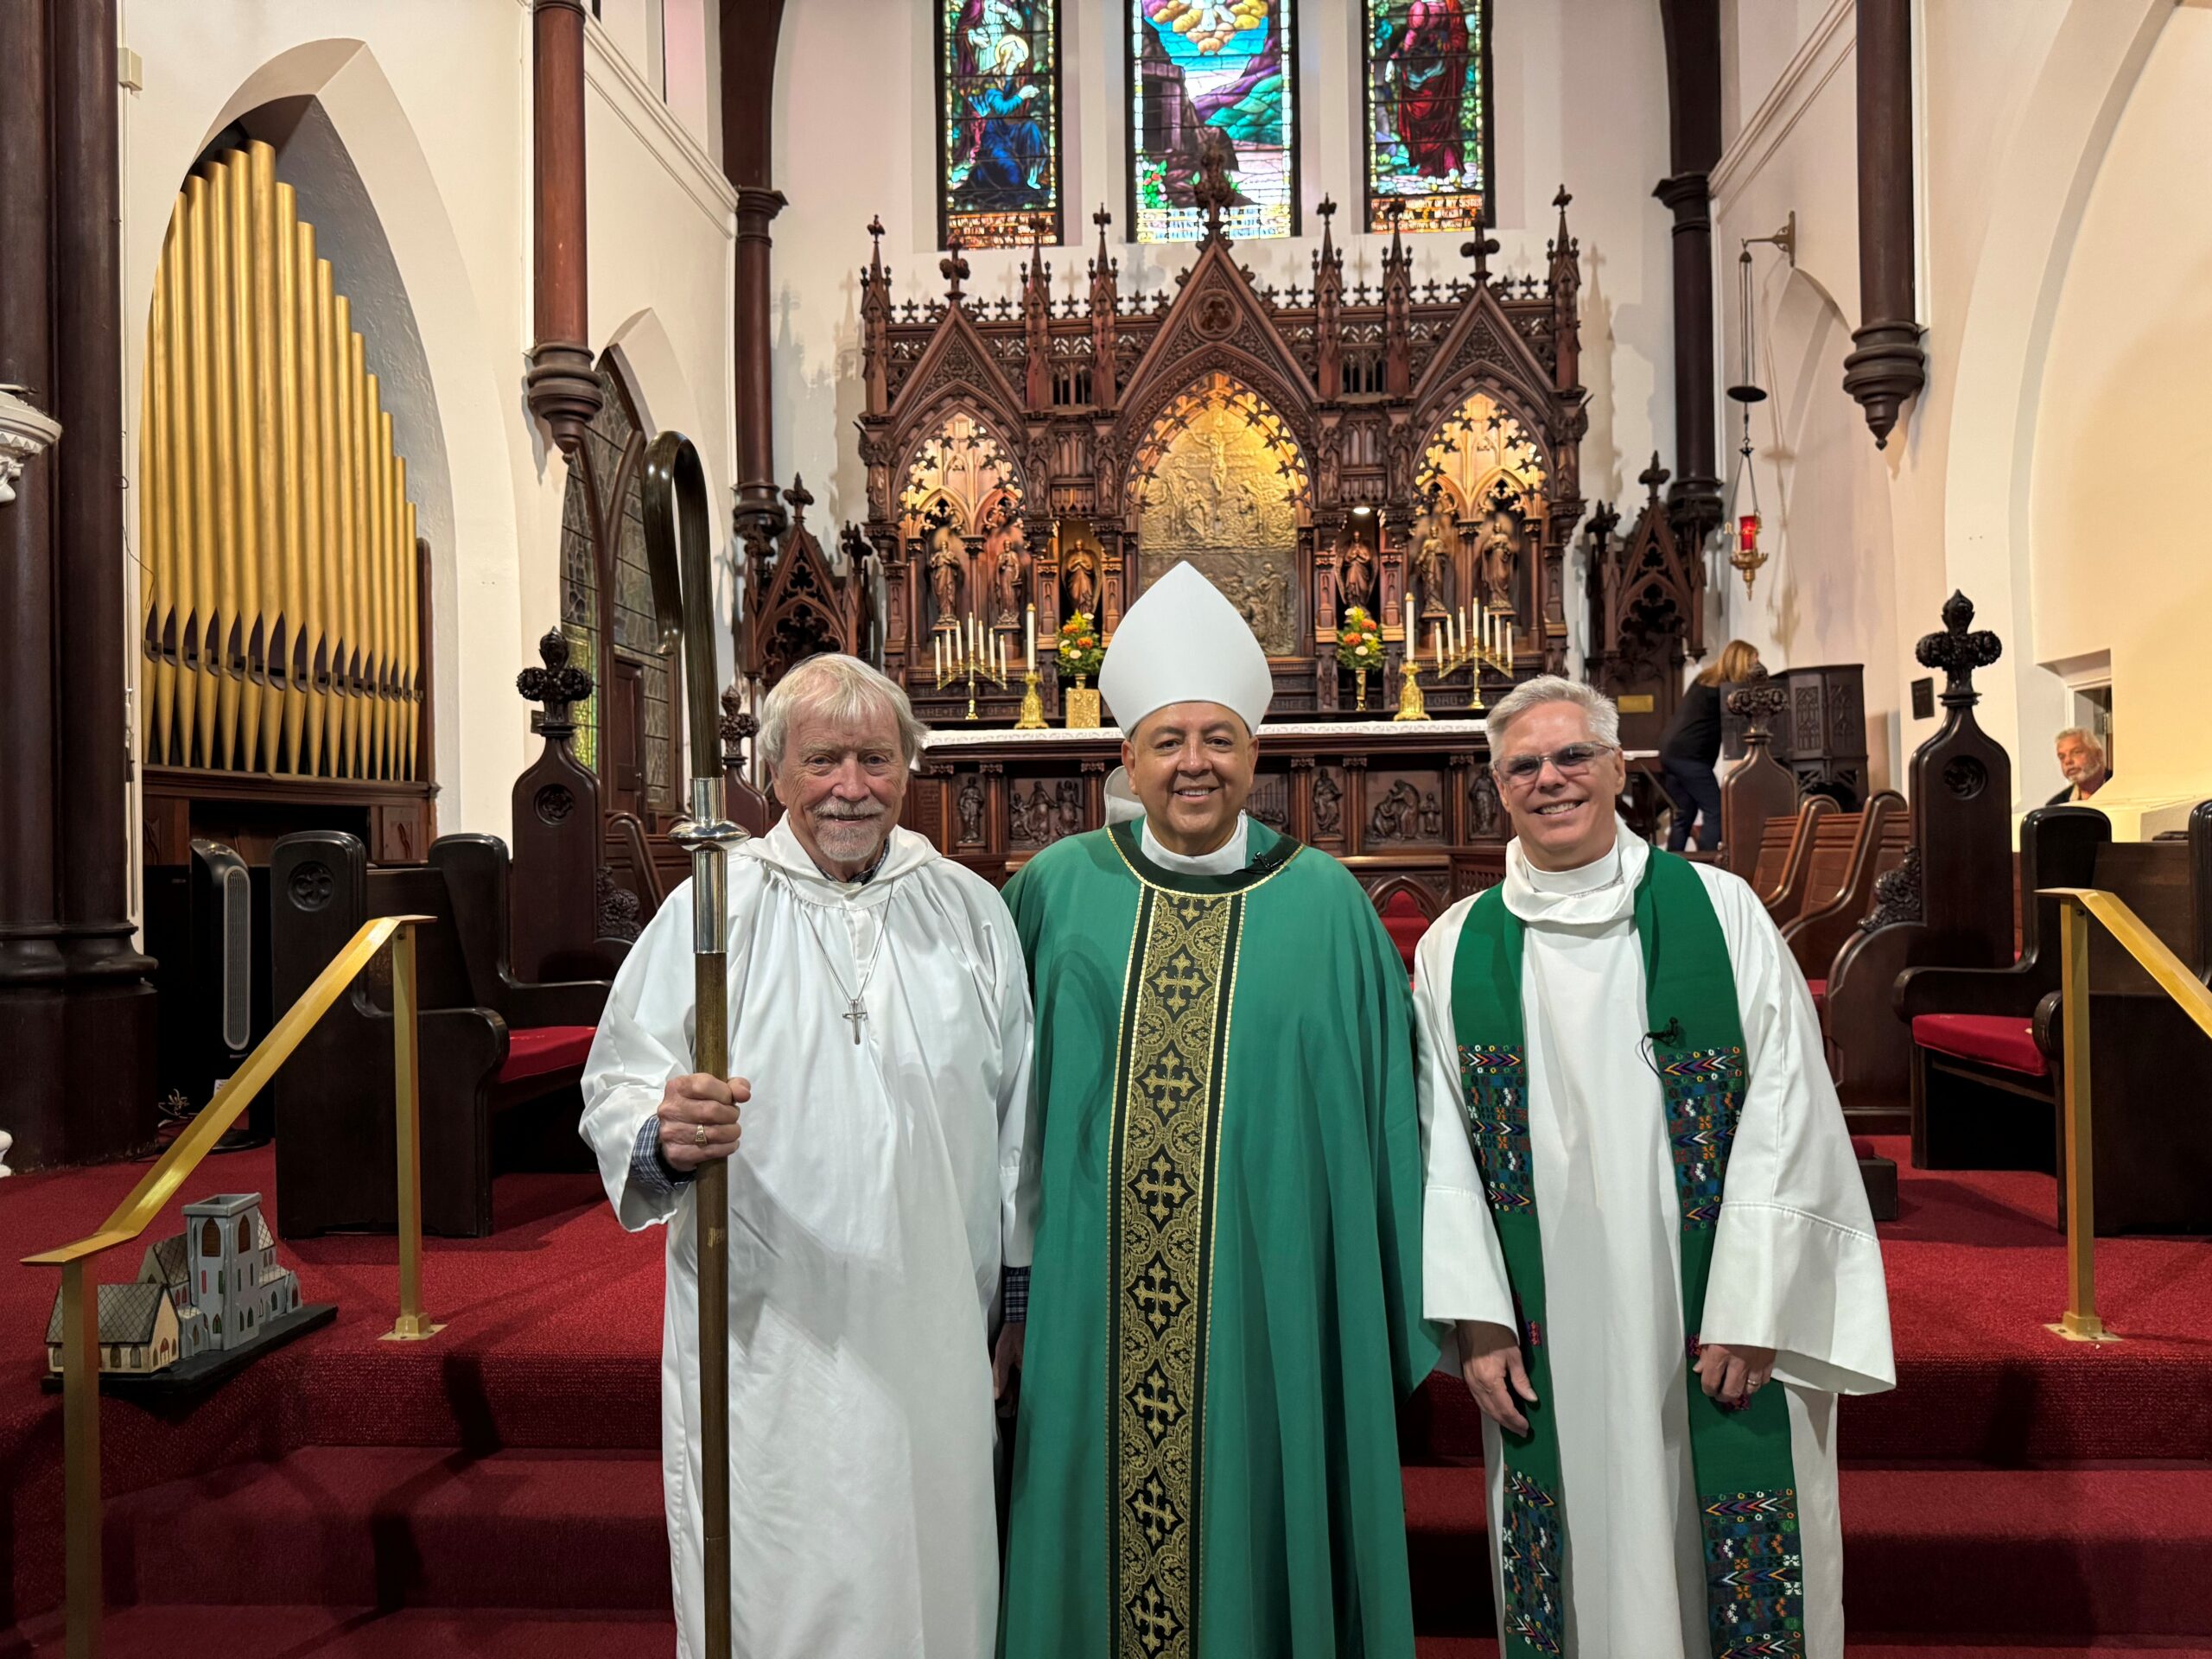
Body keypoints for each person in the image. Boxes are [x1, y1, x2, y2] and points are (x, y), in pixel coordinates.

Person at [998, 562, 1436, 1657]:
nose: (1193, 763)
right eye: (1167, 741)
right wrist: (1003, 1292)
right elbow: (992, 1106)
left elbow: (1386, 1123)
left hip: (1267, 1298)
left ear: (1254, 753)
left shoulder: (1328, 906)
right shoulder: (1051, 891)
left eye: (1218, 740)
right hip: (1086, 1302)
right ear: (1126, 759)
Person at [1414, 675, 1894, 1658]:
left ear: (1616, 770)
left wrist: (1755, 1302)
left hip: (1712, 1310)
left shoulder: (1719, 912)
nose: (1549, 780)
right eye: (1522, 767)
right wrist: (1479, 1320)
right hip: (1550, 1319)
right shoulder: (1455, 947)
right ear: (1497, 788)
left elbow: (1790, 1108)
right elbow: (1442, 1148)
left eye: (1571, 757)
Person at [578, 653, 1034, 1659]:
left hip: (933, 1320)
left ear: (908, 768)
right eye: (823, 760)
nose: (850, 788)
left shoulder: (969, 912)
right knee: (779, 1566)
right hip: (770, 1328)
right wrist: (664, 1136)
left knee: (932, 1562)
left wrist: (1018, 1296)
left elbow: (1019, 1124)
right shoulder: (713, 909)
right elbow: (618, 1083)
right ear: (775, 771)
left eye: (875, 759)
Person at [1658, 639, 1760, 852]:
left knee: (1684, 813)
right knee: (1717, 810)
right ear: (1742, 663)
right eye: (1753, 663)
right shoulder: (1726, 692)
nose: (1756, 669)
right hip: (1689, 756)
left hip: (1671, 750)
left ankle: (1671, 863)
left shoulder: (1705, 680)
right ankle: (1709, 861)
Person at [2049, 726, 2112, 804]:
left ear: (2098, 755)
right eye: (2062, 757)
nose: (2068, 761)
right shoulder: (2057, 805)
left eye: (2076, 752)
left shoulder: (2122, 788)